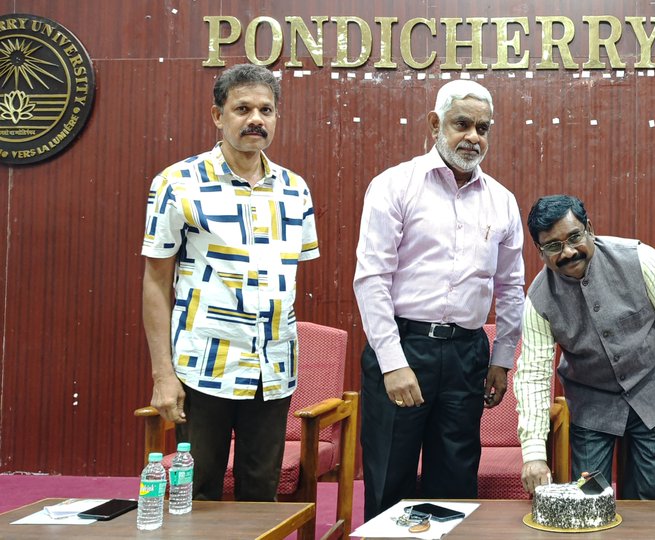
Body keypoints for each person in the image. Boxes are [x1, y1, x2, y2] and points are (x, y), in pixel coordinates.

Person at [141, 64, 319, 501]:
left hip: (272, 369)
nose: (255, 118)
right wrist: (163, 374)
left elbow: (286, 281)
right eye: (242, 109)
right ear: (218, 116)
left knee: (261, 493)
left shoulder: (295, 189)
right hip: (204, 366)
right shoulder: (177, 183)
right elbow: (156, 282)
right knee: (196, 491)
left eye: (266, 109)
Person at [353, 80, 525, 521]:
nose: (473, 137)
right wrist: (392, 363)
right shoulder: (395, 185)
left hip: (468, 353)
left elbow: (510, 287)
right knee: (390, 475)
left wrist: (502, 360)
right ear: (435, 124)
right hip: (405, 346)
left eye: (483, 128)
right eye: (462, 124)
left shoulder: (502, 201)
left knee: (455, 480)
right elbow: (372, 279)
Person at [513, 195, 655, 510]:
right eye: (552, 246)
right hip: (591, 403)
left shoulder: (642, 260)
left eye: (574, 237)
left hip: (652, 389)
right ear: (539, 250)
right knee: (590, 500)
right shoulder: (538, 300)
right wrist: (533, 454)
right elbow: (533, 374)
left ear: (589, 228)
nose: (567, 252)